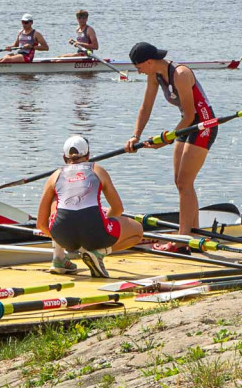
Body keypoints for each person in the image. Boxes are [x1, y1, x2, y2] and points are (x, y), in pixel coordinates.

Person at [123, 42, 216, 250]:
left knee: (184, 182)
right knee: (181, 182)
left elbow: (192, 114)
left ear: (148, 62)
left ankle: (182, 240)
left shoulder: (181, 74)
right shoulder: (154, 75)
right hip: (187, 125)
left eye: (138, 67)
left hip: (204, 125)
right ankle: (193, 233)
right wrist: (135, 135)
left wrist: (166, 139)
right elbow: (146, 106)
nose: (138, 71)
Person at [37, 134, 143, 277]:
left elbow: (41, 225)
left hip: (63, 237)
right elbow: (118, 208)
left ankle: (59, 257)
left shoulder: (54, 176)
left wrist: (60, 236)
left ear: (64, 158)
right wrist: (105, 220)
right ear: (88, 156)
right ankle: (98, 253)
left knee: (58, 198)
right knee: (137, 231)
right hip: (95, 231)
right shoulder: (97, 169)